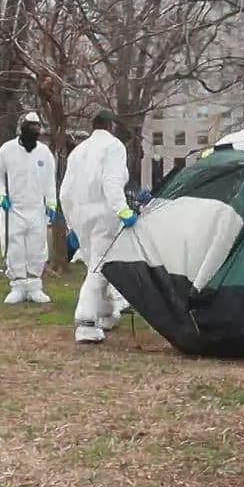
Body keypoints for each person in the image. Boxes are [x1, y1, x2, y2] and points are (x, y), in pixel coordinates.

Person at [59, 110, 139, 343]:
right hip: (105, 215)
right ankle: (85, 321)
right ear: (111, 126)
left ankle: (105, 312)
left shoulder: (78, 151)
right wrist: (123, 211)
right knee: (99, 268)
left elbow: (65, 191)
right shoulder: (113, 147)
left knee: (96, 266)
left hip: (81, 215)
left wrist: (71, 223)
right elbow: (111, 182)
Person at [0, 112, 58, 304]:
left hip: (37, 208)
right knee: (15, 246)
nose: (34, 132)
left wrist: (51, 202)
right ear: (22, 129)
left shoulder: (44, 153)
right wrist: (1, 195)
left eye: (37, 128)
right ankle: (18, 286)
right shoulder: (7, 150)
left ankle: (35, 286)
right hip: (13, 209)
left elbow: (49, 180)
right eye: (31, 128)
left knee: (37, 246)